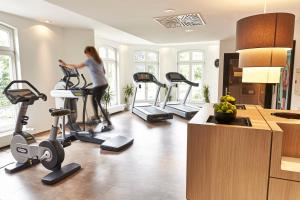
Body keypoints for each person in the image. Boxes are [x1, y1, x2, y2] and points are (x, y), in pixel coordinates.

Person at [59, 46, 112, 131]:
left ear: (89, 52)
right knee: (96, 101)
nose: (86, 56)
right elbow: (104, 71)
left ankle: (98, 118)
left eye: (86, 54)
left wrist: (65, 65)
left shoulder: (90, 60)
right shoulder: (99, 60)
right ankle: (102, 119)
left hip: (98, 84)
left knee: (95, 100)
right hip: (104, 83)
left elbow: (77, 66)